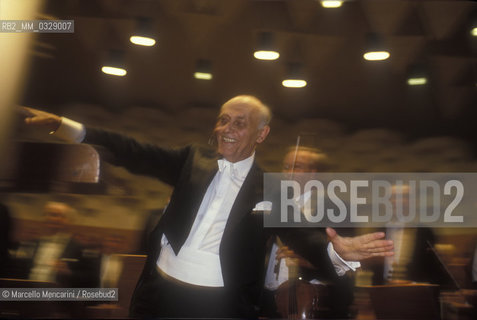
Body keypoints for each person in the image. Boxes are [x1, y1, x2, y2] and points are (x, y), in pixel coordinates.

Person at [20, 95, 393, 318]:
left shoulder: (272, 189)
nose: (226, 129)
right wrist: (69, 128)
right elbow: (132, 151)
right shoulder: (191, 159)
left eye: (240, 123)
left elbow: (302, 236)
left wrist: (337, 251)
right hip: (160, 295)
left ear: (261, 135)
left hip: (219, 306)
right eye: (223, 119)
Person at [262, 146, 355, 318]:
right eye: (286, 167)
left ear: (312, 173)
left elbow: (348, 265)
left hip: (316, 304)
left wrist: (307, 261)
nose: (288, 172)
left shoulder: (338, 208)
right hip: (270, 301)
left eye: (296, 167)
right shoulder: (272, 204)